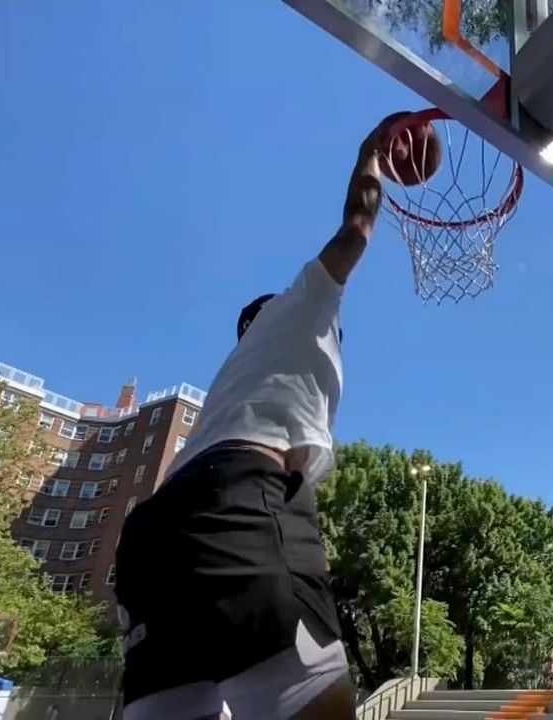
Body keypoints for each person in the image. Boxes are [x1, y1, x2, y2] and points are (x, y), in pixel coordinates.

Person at [113, 117, 392, 720]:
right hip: (235, 504)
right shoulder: (304, 307)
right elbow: (354, 230)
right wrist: (371, 154)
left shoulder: (238, 371)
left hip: (152, 540)